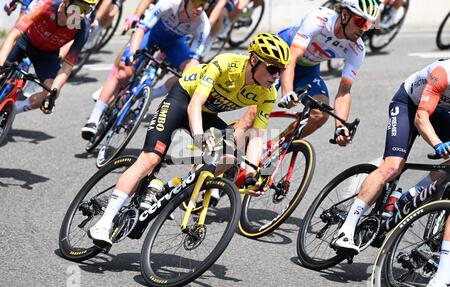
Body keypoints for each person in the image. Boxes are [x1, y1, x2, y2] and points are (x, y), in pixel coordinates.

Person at [87, 32, 291, 248]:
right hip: (183, 100)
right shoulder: (226, 63)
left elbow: (257, 135)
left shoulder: (267, 93)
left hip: (208, 114)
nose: (277, 75)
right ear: (254, 60)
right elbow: (195, 103)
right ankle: (104, 221)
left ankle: (169, 189)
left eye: (281, 70)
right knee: (150, 159)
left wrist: (251, 172)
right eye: (272, 68)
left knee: (230, 157)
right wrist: (200, 137)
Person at [333, 59, 450, 287]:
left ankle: (403, 199)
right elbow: (421, 118)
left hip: (442, 113)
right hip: (411, 105)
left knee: (446, 168)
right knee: (393, 166)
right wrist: (437, 144)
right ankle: (347, 227)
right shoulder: (443, 72)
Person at [81, 0, 211, 140]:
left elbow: (194, 60)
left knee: (191, 75)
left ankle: (153, 94)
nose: (199, 8)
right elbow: (142, 29)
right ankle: (94, 119)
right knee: (124, 72)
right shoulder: (169, 4)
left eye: (204, 5)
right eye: (197, 2)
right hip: (152, 34)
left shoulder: (203, 25)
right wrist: (132, 54)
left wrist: (186, 78)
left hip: (173, 44)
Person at [276, 0, 379, 145]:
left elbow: (344, 92)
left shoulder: (357, 49)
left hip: (308, 68)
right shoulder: (319, 19)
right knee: (258, 107)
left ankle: (274, 147)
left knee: (320, 114)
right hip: (282, 53)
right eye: (360, 21)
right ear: (344, 15)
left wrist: (340, 126)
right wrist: (287, 92)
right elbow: (291, 58)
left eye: (368, 24)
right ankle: (236, 145)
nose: (363, 29)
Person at [0, 0, 95, 114]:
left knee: (50, 93)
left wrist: (53, 93)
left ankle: (12, 112)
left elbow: (68, 65)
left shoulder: (83, 28)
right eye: (79, 7)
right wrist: (1, 64)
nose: (81, 15)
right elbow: (14, 34)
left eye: (87, 10)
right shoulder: (47, 5)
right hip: (25, 41)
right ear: (66, 2)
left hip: (46, 55)